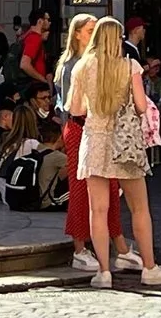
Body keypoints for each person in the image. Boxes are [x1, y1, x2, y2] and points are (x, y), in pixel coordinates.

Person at [62, 19, 161, 286]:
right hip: (124, 144)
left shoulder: (82, 66)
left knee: (98, 210)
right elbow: (139, 104)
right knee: (139, 208)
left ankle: (103, 272)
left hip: (94, 141)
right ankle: (149, 267)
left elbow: (76, 110)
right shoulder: (130, 66)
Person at [54, 15, 128, 274]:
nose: (94, 34)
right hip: (79, 128)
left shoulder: (100, 61)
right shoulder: (72, 64)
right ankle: (79, 248)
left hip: (99, 129)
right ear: (77, 34)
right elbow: (69, 106)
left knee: (110, 188)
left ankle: (117, 245)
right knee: (80, 189)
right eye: (89, 30)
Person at [18, 8, 54, 85]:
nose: (50, 23)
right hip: (35, 86)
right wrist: (43, 80)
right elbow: (24, 64)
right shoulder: (35, 38)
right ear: (40, 21)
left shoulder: (28, 35)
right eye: (47, 19)